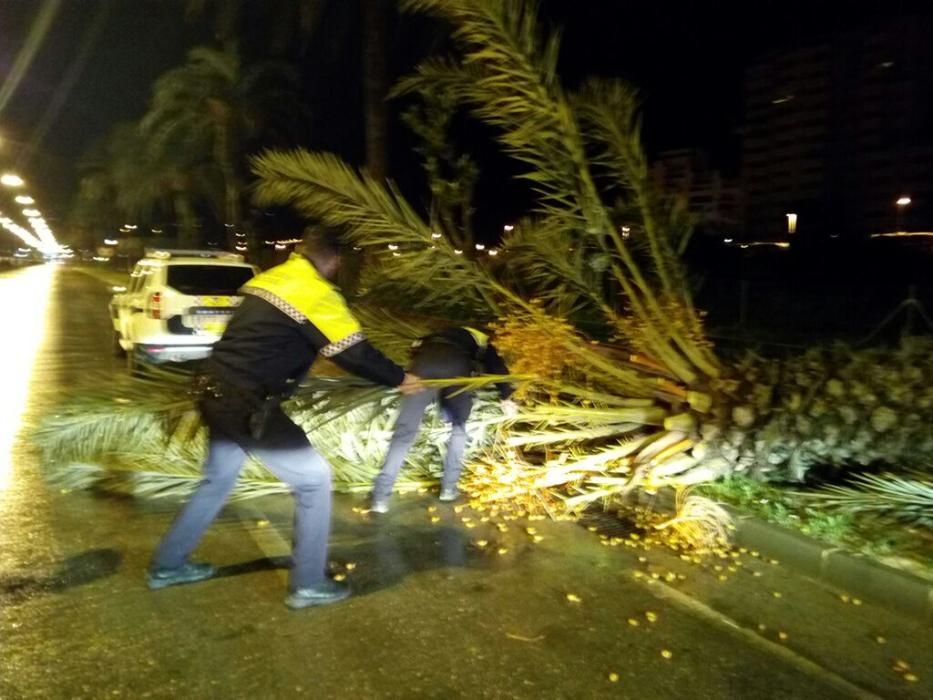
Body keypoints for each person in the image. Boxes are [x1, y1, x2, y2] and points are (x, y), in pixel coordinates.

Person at [148, 229, 422, 609]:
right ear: (336, 261)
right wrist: (401, 378)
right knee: (314, 481)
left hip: (214, 391)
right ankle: (308, 585)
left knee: (217, 480)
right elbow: (354, 354)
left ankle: (167, 565)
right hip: (248, 405)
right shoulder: (314, 292)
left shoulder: (267, 280)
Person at [369, 326, 517, 513]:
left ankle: (380, 499)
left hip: (424, 366)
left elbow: (414, 350)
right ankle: (448, 489)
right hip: (456, 369)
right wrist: (506, 396)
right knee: (459, 428)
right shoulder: (481, 340)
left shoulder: (432, 335)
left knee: (404, 433)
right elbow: (496, 367)